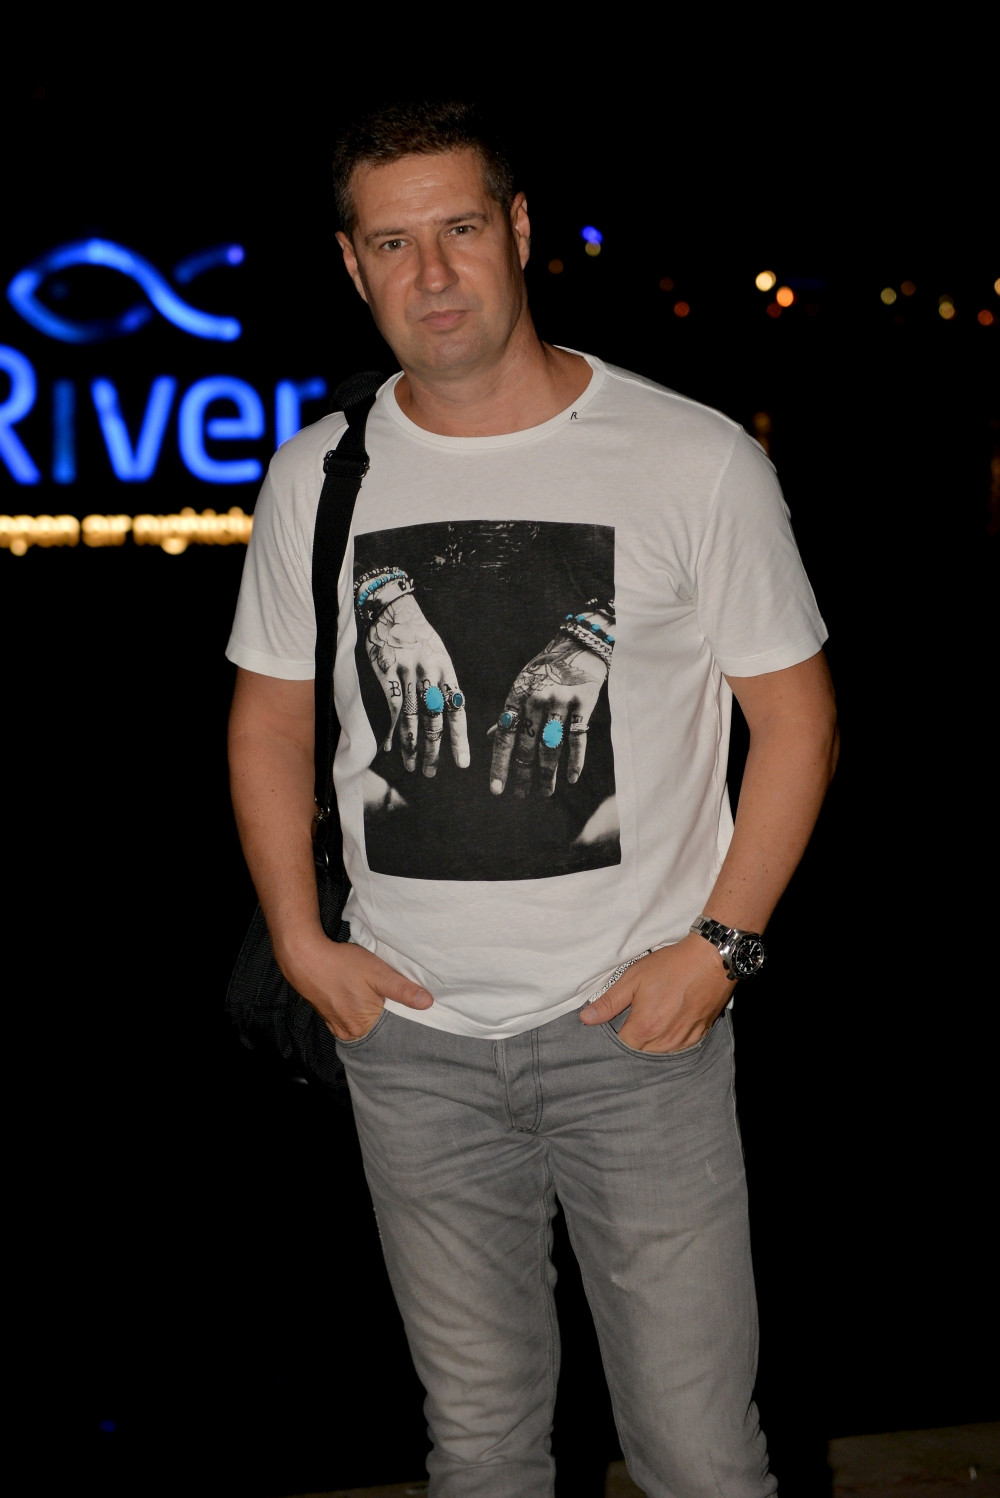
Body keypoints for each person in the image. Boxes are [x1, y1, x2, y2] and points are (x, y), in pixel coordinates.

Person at [225, 97, 839, 1498]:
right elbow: (267, 720)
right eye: (393, 243)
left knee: (700, 1458)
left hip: (637, 1034)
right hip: (410, 1041)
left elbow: (799, 721)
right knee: (480, 1449)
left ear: (517, 230)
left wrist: (722, 947)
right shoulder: (319, 475)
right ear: (351, 265)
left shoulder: (693, 457)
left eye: (458, 229)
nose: (432, 274)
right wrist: (305, 945)